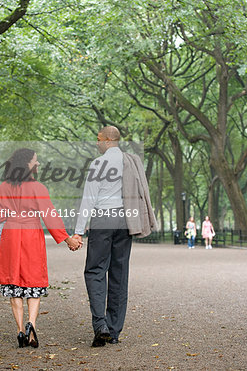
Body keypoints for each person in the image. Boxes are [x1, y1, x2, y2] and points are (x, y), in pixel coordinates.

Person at [73, 126, 157, 347]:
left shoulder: (98, 164)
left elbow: (89, 199)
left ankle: (100, 324)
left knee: (95, 270)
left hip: (103, 220)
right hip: (125, 221)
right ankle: (114, 330)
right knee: (120, 273)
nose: (97, 143)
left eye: (98, 139)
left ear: (108, 140)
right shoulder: (130, 162)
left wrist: (78, 231)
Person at [0, 148, 80, 348]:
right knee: (33, 282)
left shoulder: (4, 187)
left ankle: (20, 330)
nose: (38, 164)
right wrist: (68, 239)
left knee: (13, 281)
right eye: (35, 161)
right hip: (32, 235)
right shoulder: (38, 188)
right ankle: (32, 324)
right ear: (27, 164)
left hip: (11, 236)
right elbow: (50, 217)